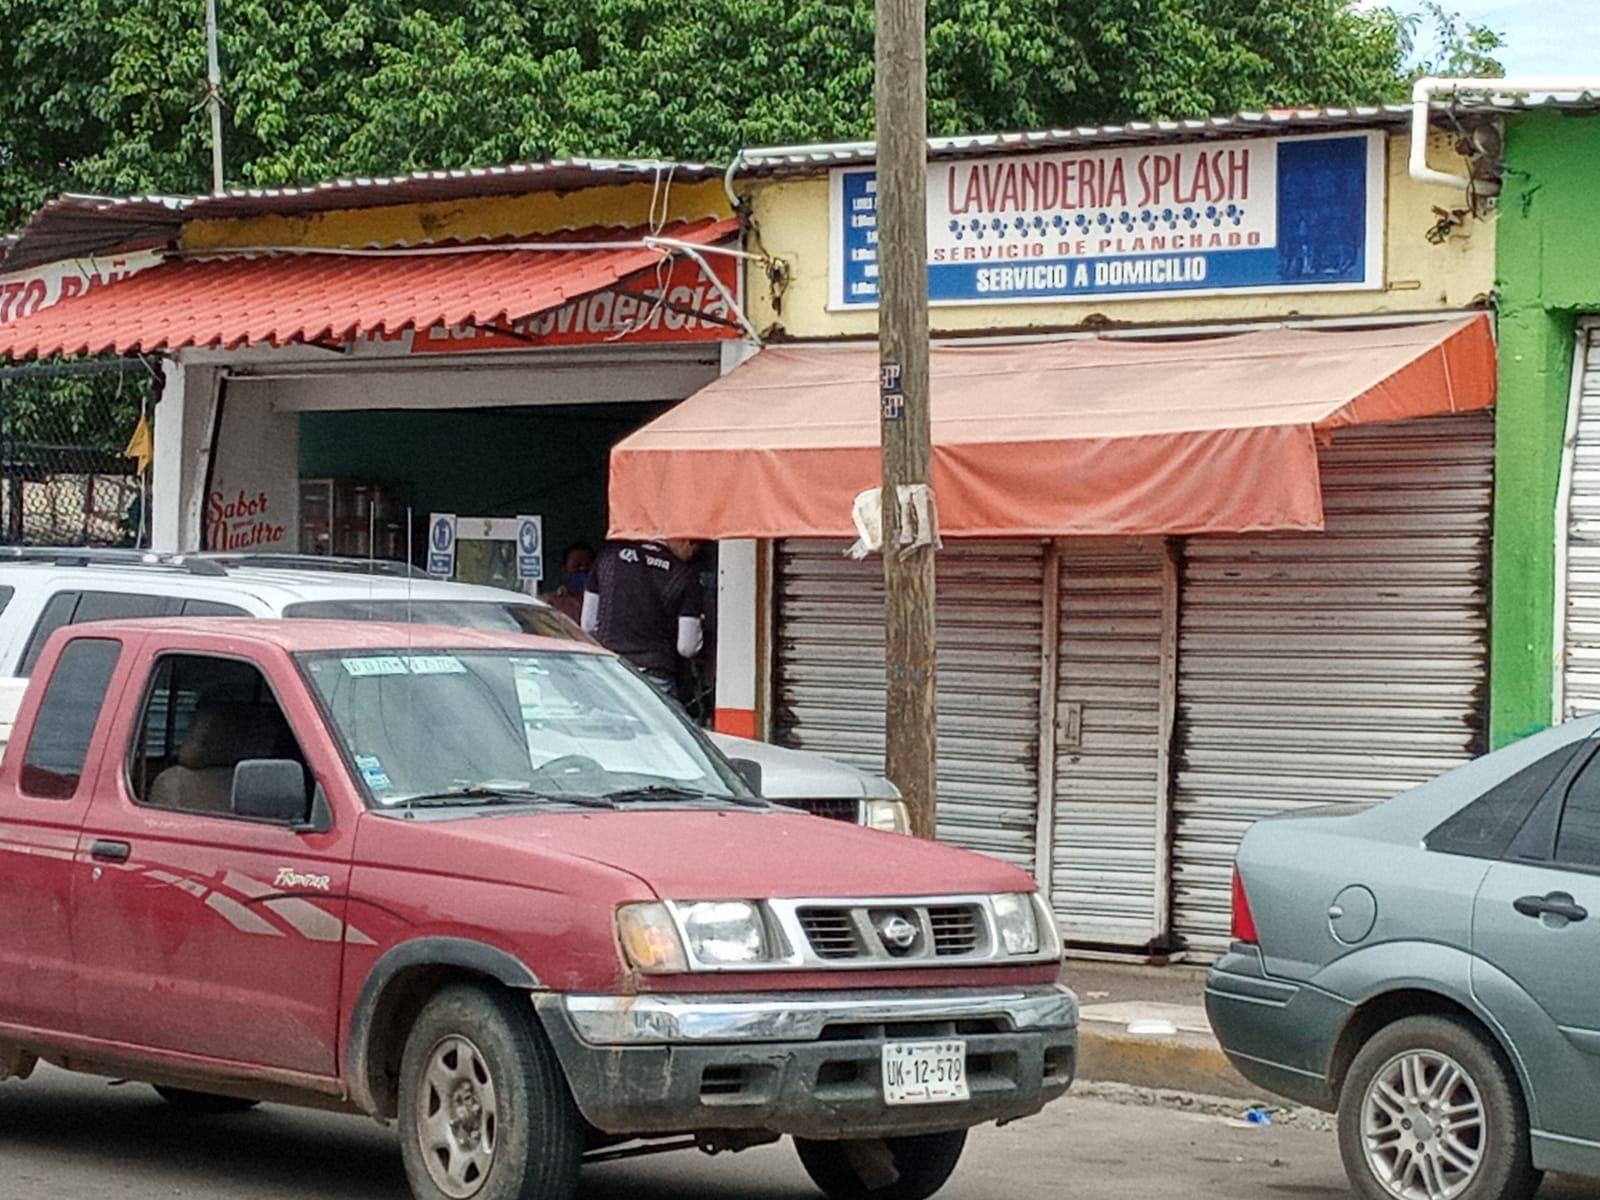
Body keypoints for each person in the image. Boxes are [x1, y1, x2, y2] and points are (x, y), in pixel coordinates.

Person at [581, 539, 703, 698]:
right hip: (655, 675)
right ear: (685, 540)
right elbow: (687, 647)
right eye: (694, 546)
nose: (692, 553)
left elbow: (587, 625)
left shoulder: (607, 558)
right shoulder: (683, 573)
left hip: (609, 671)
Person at [545, 542, 595, 621]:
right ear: (564, 569)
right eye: (576, 566)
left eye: (588, 566)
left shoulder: (602, 601)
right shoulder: (551, 602)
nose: (583, 569)